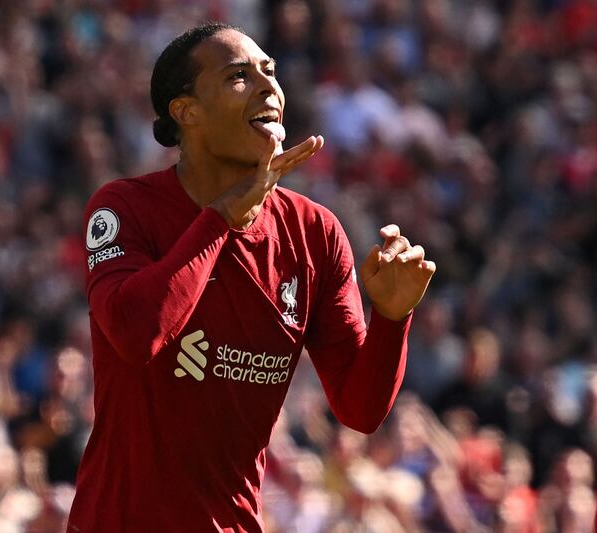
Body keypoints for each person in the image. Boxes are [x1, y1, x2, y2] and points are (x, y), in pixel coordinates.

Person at [67, 22, 435, 532]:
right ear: (186, 111)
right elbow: (138, 332)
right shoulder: (125, 208)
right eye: (239, 76)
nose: (269, 88)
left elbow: (360, 408)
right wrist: (220, 220)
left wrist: (393, 319)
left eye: (270, 72)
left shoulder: (315, 233)